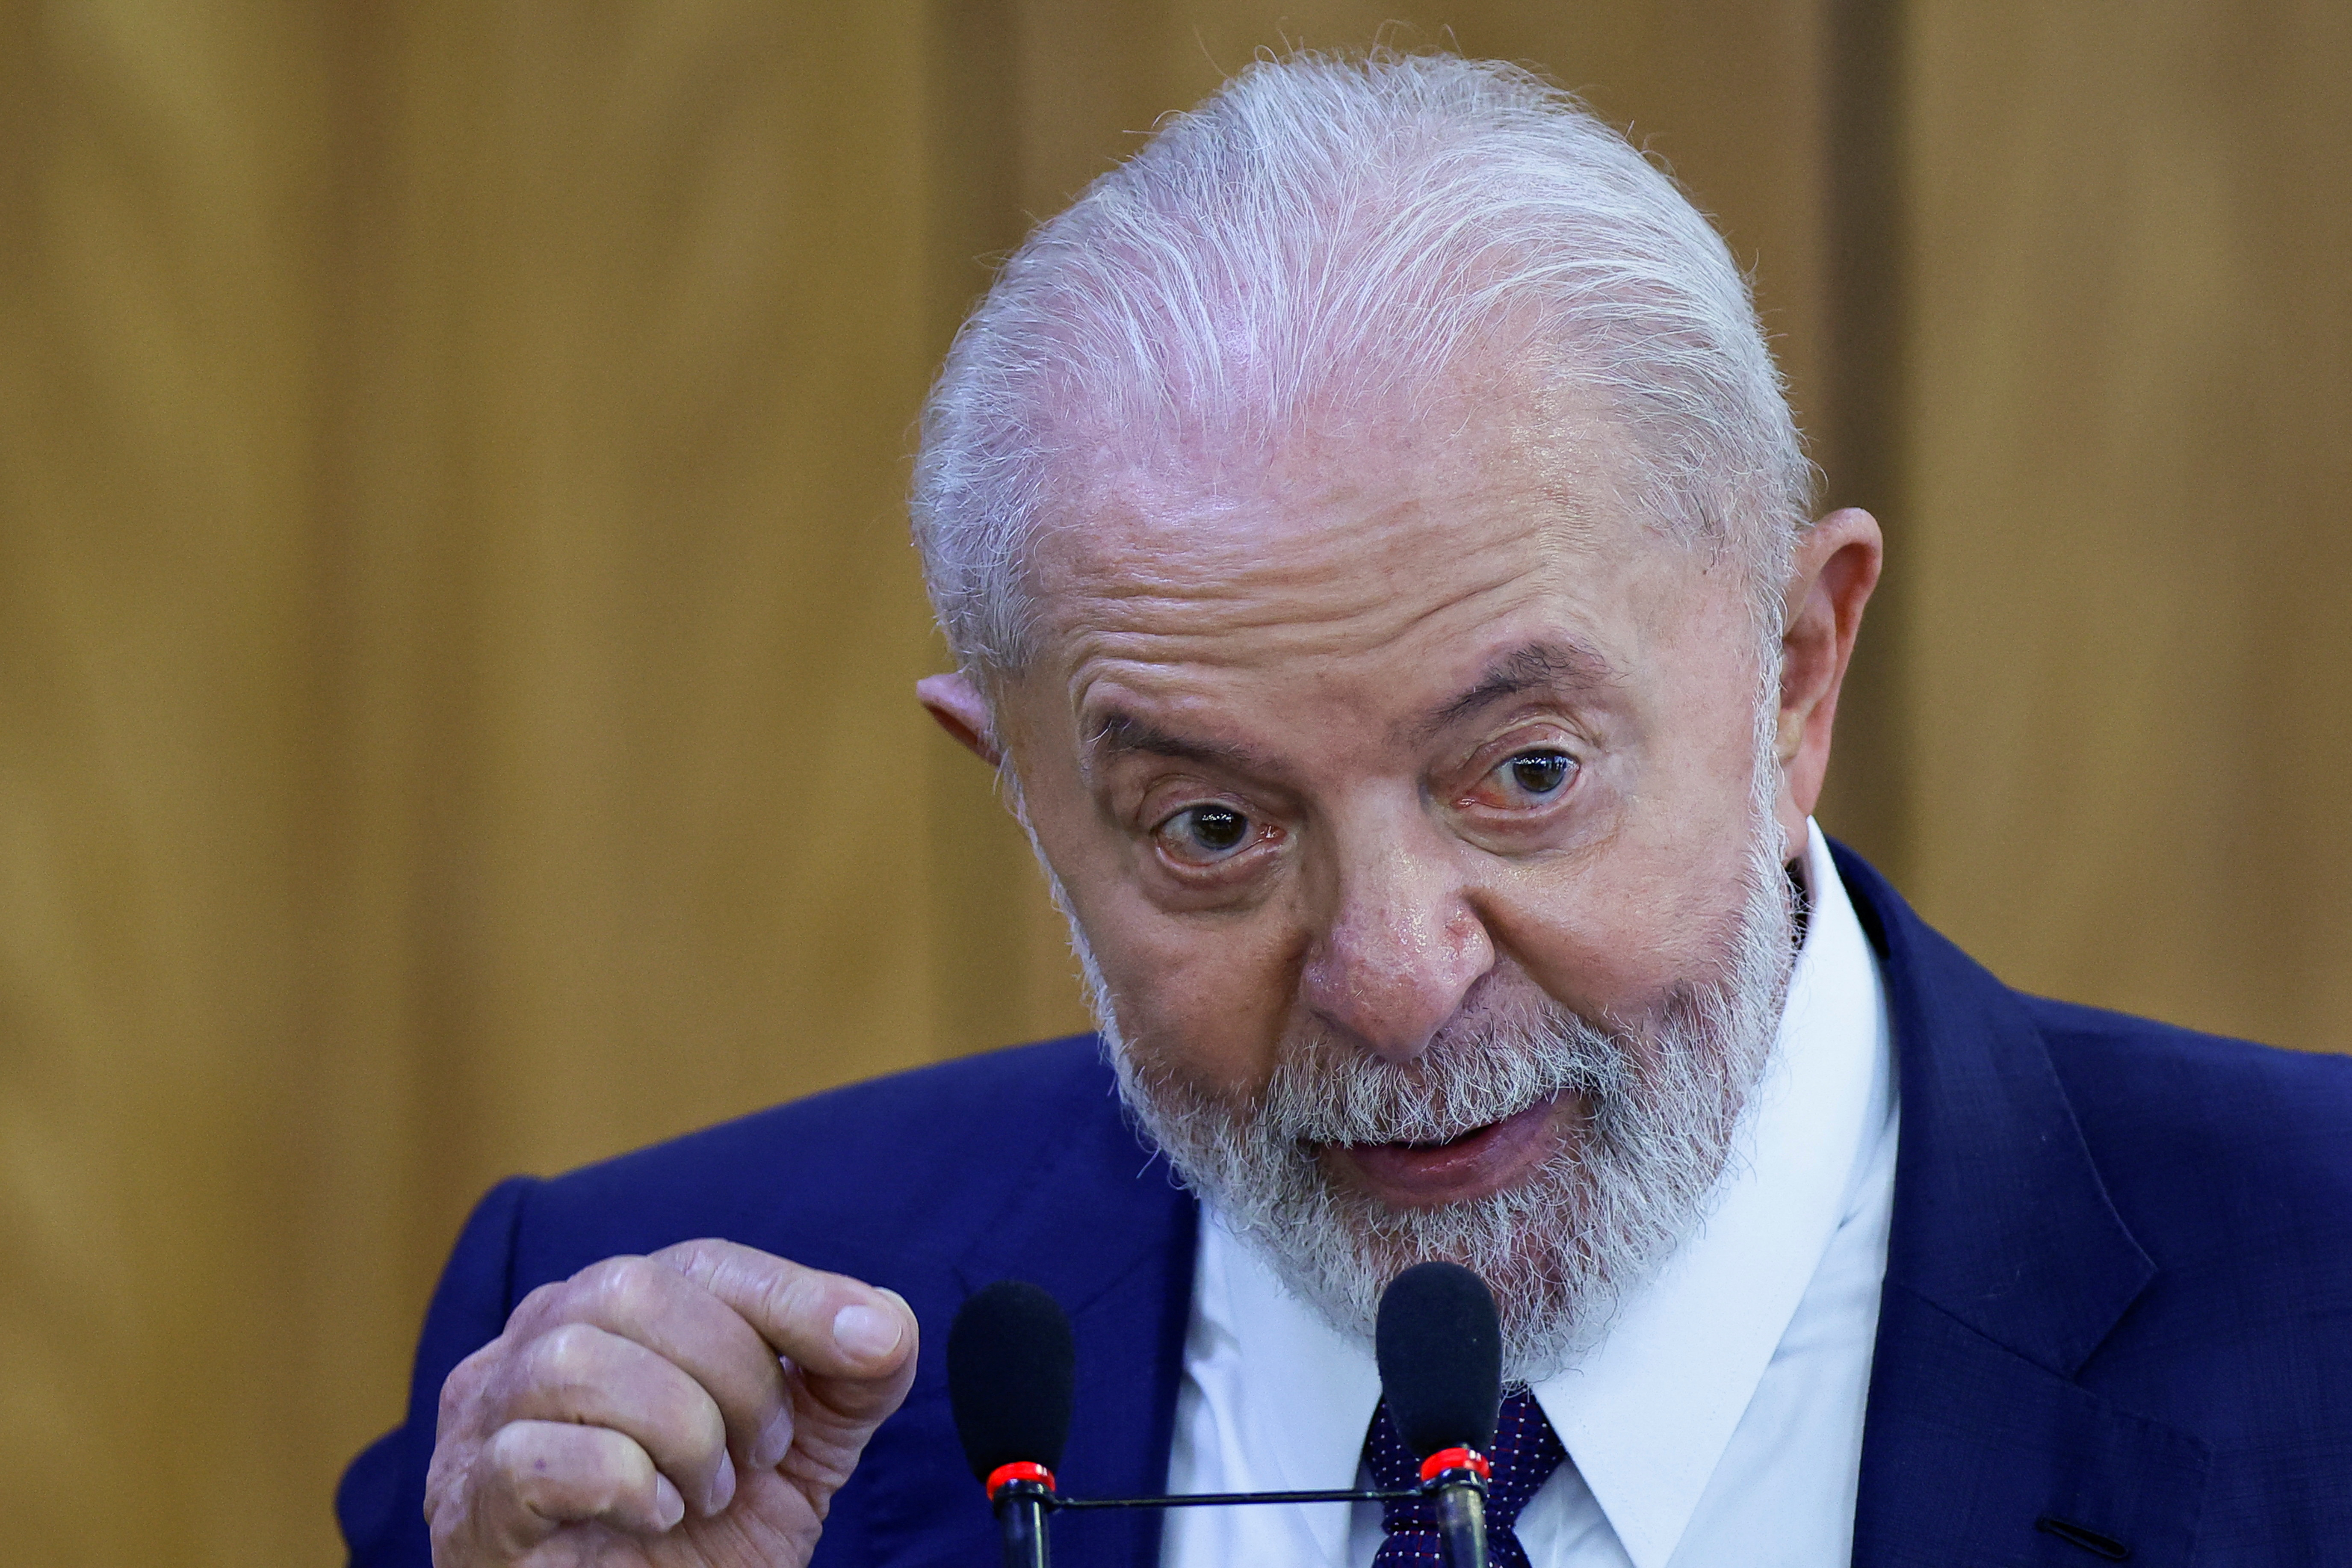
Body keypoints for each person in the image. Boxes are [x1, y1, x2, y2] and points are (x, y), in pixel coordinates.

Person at [337, 51, 2352, 1568]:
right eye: (1213, 829)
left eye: (1526, 776)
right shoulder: (646, 1394)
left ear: (1796, 674)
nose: (1393, 982)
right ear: (1025, 794)